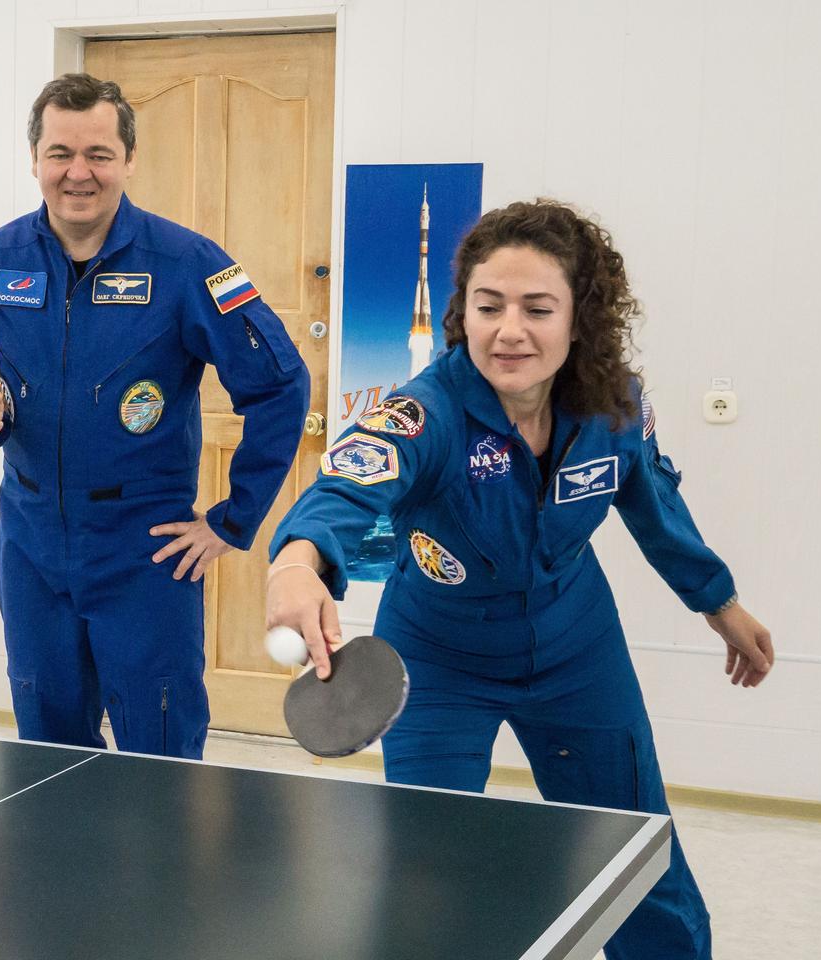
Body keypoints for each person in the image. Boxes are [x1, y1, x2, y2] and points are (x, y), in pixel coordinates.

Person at [266, 199, 773, 960]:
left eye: (537, 308)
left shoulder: (616, 405)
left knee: (635, 857)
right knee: (427, 879)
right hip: (437, 661)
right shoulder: (422, 414)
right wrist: (294, 564)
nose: (509, 330)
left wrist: (719, 602)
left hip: (577, 650)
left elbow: (654, 502)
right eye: (489, 306)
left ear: (578, 319)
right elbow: (343, 488)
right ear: (462, 314)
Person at [0, 74, 309, 760]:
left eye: (98, 154)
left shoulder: (187, 264)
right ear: (34, 159)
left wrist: (234, 519)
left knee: (160, 747)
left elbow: (281, 386)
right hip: (31, 545)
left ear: (129, 160)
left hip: (146, 552)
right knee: (47, 749)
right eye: (60, 153)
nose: (79, 173)